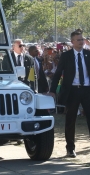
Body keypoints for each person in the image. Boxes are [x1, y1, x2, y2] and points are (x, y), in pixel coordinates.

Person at [48, 29, 90, 158]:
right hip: (72, 90)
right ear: (72, 42)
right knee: (70, 120)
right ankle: (70, 148)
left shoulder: (88, 54)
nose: (81, 42)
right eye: (78, 40)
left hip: (87, 89)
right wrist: (52, 91)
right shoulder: (66, 56)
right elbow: (57, 74)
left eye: (82, 39)